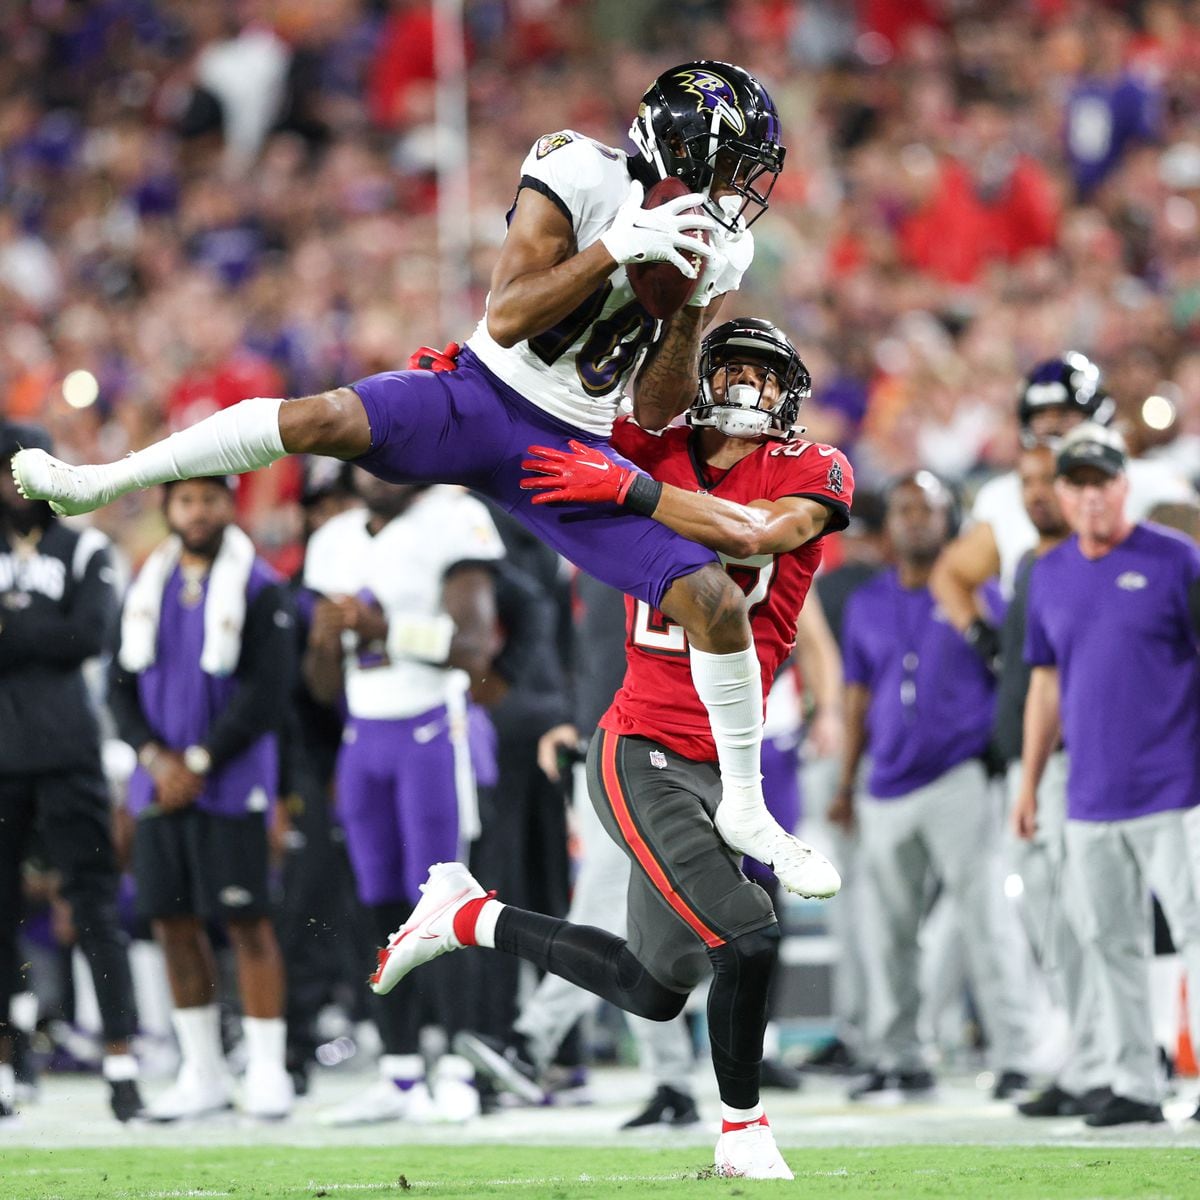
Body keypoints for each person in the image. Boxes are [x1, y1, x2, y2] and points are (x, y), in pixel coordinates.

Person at [11, 62, 839, 900]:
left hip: (573, 447)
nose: (742, 188)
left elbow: (658, 412)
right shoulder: (578, 170)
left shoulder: (724, 243)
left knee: (716, 603)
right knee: (321, 418)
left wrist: (693, 303)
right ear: (681, 143)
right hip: (481, 397)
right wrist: (615, 250)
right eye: (734, 162)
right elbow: (509, 312)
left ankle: (743, 802)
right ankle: (102, 479)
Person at [370, 317, 853, 1180]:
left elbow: (755, 536)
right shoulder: (642, 442)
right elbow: (523, 432)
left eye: (766, 376)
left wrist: (631, 491)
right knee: (746, 935)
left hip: (724, 756)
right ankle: (743, 1135)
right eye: (733, 369)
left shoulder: (812, 469)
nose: (748, 389)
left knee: (652, 988)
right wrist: (470, 391)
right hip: (641, 747)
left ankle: (468, 916)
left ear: (792, 396)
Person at [302, 470, 506, 1124]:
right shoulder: (333, 537)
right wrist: (329, 640)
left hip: (429, 730)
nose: (377, 474)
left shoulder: (452, 519)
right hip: (364, 735)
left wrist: (383, 627)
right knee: (376, 906)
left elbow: (474, 650)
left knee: (444, 905)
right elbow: (319, 681)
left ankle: (456, 1066)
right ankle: (398, 1071)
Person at [1014, 423, 1200, 1127]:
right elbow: (1045, 684)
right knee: (1107, 943)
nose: (1091, 497)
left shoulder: (1178, 561)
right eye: (1078, 484)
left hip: (1177, 786)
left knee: (1195, 933)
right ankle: (1134, 1086)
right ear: (1061, 492)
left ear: (1125, 485)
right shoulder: (1049, 573)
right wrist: (1031, 784)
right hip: (1089, 793)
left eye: (1102, 482)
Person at [831, 472, 1030, 1102]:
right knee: (886, 932)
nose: (916, 519)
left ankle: (1016, 1054)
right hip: (885, 783)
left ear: (951, 520)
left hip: (960, 776)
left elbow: (1011, 683)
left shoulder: (982, 594)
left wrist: (1006, 761)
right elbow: (856, 699)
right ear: (889, 524)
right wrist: (845, 782)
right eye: (905, 509)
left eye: (929, 508)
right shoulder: (867, 602)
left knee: (986, 920)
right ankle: (899, 1055)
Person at [108, 476, 295, 1121]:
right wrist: (156, 759)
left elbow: (268, 693)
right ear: (168, 508)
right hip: (158, 784)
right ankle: (202, 1072)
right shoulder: (144, 584)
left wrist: (201, 760)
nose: (199, 511)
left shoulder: (260, 585)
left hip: (233, 783)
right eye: (186, 500)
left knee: (247, 924)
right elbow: (117, 688)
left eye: (211, 498)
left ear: (230, 505)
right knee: (172, 924)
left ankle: (268, 1068)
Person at [0, 422, 144, 1123]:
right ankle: (5, 1061)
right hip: (3, 759)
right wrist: (39, 631)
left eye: (23, 471)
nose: (14, 487)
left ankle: (122, 1056)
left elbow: (91, 634)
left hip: (69, 754)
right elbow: (63, 632)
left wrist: (12, 628)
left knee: (94, 905)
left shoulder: (86, 545)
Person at [989, 444, 1107, 1119]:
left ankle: (1099, 1061)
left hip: (1073, 765)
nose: (1037, 494)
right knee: (1046, 922)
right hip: (1027, 768)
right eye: (1027, 481)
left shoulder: (1092, 561)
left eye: (1047, 482)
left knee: (1079, 920)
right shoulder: (1033, 563)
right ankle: (1082, 1054)